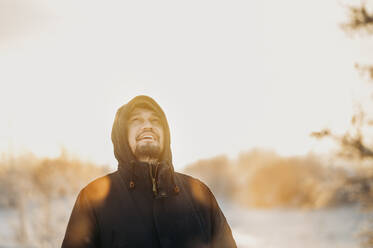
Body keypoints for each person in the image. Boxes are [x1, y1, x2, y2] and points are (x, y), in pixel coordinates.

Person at [61, 95, 237, 248]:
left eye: (155, 121)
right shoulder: (92, 198)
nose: (147, 126)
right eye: (136, 120)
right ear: (122, 135)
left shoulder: (200, 195)